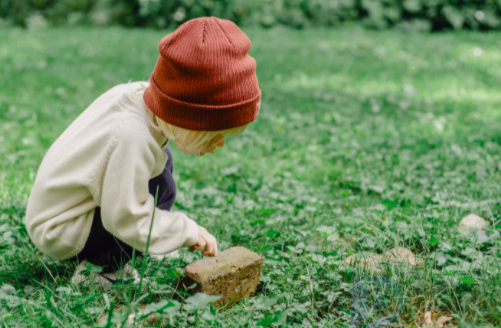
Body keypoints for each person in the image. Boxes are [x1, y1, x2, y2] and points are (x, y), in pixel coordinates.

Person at [24, 16, 261, 286]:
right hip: (60, 226)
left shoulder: (146, 102)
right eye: (214, 135)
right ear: (187, 116)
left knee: (162, 177)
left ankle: (145, 240)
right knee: (149, 199)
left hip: (76, 204)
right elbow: (125, 219)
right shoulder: (130, 136)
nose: (218, 145)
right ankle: (99, 270)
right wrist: (185, 231)